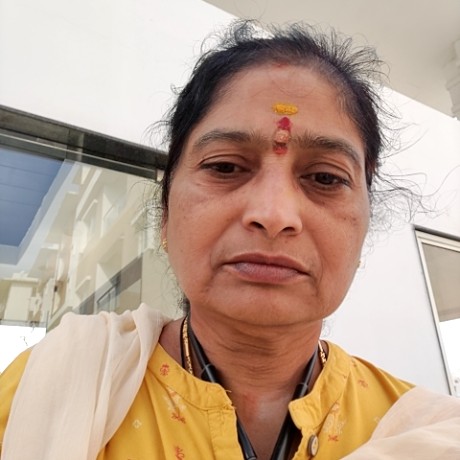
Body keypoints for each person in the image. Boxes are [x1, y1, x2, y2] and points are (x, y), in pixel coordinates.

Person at [0, 20, 459, 460]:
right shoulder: (42, 394)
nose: (274, 215)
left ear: (363, 226)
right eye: (225, 167)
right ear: (165, 215)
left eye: (325, 177)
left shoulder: (433, 438)